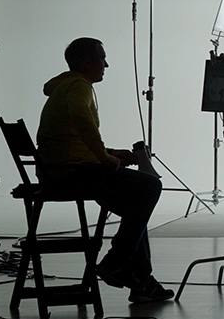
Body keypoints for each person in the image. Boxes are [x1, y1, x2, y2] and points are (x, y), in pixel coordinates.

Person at [35, 37, 173, 303]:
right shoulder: (79, 86)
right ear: (87, 62)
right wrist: (103, 157)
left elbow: (72, 139)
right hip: (71, 175)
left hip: (63, 170)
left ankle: (142, 282)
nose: (106, 64)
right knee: (150, 187)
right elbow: (80, 117)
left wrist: (109, 154)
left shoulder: (64, 85)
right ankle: (115, 262)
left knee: (137, 210)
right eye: (102, 58)